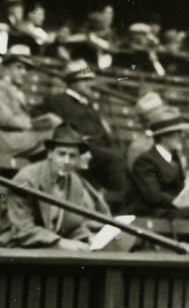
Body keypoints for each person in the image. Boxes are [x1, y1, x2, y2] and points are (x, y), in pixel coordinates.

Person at [0, 122, 111, 249]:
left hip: (49, 248)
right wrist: (61, 243)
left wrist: (87, 237)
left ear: (78, 158)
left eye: (72, 156)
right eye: (61, 154)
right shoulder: (26, 178)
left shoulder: (75, 181)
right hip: (17, 247)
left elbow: (72, 226)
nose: (66, 161)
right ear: (50, 153)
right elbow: (22, 229)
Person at [39, 60, 130, 207]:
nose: (89, 84)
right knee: (115, 158)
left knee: (119, 155)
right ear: (73, 82)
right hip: (78, 147)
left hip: (96, 149)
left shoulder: (87, 104)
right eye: (85, 80)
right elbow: (57, 126)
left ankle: (111, 201)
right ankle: (118, 204)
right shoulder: (58, 100)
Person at [130, 112, 189, 219]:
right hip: (158, 213)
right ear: (164, 136)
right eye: (177, 133)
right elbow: (154, 196)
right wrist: (183, 201)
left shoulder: (178, 158)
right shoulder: (145, 161)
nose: (181, 137)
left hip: (176, 210)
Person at [0, 50, 54, 165]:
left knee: (56, 129)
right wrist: (34, 124)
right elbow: (6, 120)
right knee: (55, 135)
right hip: (2, 140)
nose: (23, 72)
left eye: (26, 69)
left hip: (17, 138)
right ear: (6, 68)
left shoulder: (17, 91)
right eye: (19, 67)